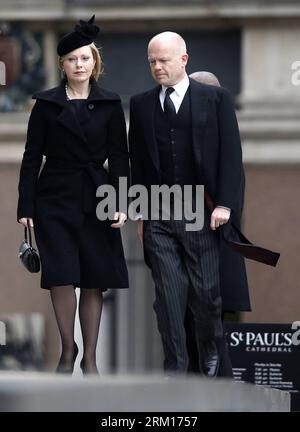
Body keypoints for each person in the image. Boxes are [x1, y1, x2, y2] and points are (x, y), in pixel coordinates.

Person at [129, 32, 250, 377]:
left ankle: (211, 353)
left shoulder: (216, 99)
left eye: (163, 60)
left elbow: (231, 155)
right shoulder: (140, 104)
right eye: (152, 61)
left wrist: (225, 205)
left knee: (207, 295)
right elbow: (139, 161)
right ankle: (175, 370)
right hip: (159, 215)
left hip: (201, 212)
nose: (157, 67)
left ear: (183, 59)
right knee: (168, 298)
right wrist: (140, 214)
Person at [17, 16, 129, 375]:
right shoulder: (46, 105)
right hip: (54, 198)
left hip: (98, 196)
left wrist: (123, 202)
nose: (80, 65)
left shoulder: (110, 103)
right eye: (72, 59)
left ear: (94, 62)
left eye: (85, 58)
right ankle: (69, 350)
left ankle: (90, 358)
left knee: (94, 275)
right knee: (61, 274)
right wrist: (26, 205)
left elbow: (121, 158)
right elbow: (31, 157)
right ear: (62, 65)